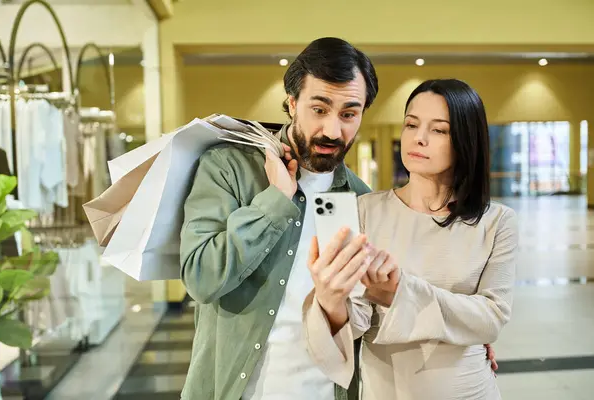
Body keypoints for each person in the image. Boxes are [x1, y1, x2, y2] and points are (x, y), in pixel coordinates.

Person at [179, 37, 378, 400]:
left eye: (348, 114)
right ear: (292, 103)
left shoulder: (360, 199)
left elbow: (367, 313)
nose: (333, 131)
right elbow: (201, 278)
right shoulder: (229, 167)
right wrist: (274, 202)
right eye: (319, 109)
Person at [304, 79, 517, 400]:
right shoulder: (362, 210)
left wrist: (401, 293)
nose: (419, 138)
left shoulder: (497, 221)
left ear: (465, 139)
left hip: (470, 390)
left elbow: (491, 319)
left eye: (439, 130)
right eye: (411, 124)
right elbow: (357, 322)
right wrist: (330, 299)